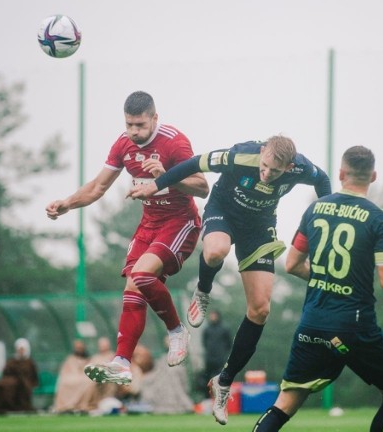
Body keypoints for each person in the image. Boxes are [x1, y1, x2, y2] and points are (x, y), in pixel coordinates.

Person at [127, 135, 331, 424]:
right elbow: (192, 163)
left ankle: (223, 382)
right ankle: (204, 289)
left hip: (259, 229)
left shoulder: (302, 168)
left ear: (289, 167)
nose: (266, 174)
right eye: (264, 166)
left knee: (260, 310)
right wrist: (155, 185)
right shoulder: (239, 156)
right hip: (223, 213)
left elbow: (323, 181)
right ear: (261, 153)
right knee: (216, 251)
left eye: (275, 171)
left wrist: (327, 221)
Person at [45, 91, 209, 386]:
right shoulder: (123, 145)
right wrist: (67, 203)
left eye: (140, 125)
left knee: (142, 274)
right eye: (129, 124)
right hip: (149, 225)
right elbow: (97, 187)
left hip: (179, 222)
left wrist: (168, 175)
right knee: (133, 287)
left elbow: (202, 187)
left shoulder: (174, 142)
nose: (134, 131)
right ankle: (121, 362)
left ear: (154, 119)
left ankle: (175, 330)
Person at [251, 146, 383, 432]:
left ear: (340, 174)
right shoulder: (379, 219)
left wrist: (329, 280)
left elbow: (293, 264)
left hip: (312, 323)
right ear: (373, 176)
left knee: (284, 404)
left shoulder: (315, 208)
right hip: (355, 327)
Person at [0, 338, 39, 414]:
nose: (21, 351)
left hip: (23, 382)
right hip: (10, 380)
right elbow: (5, 372)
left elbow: (33, 377)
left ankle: (12, 406)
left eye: (22, 349)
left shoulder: (30, 362)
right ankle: (0, 406)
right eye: (19, 349)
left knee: (9, 386)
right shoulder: (11, 361)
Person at [52, 339, 91, 413]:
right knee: (63, 383)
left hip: (83, 379)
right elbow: (64, 372)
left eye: (80, 348)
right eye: (77, 348)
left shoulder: (89, 359)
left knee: (87, 383)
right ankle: (66, 406)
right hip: (70, 379)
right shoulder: (70, 359)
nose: (79, 349)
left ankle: (81, 406)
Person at [201, 310, 232, 389]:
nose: (212, 317)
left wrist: (222, 353)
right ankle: (207, 396)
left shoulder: (225, 328)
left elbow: (229, 343)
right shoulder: (207, 329)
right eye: (211, 315)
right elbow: (204, 342)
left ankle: (221, 395)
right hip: (209, 359)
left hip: (220, 359)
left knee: (220, 377)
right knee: (207, 377)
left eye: (214, 315)